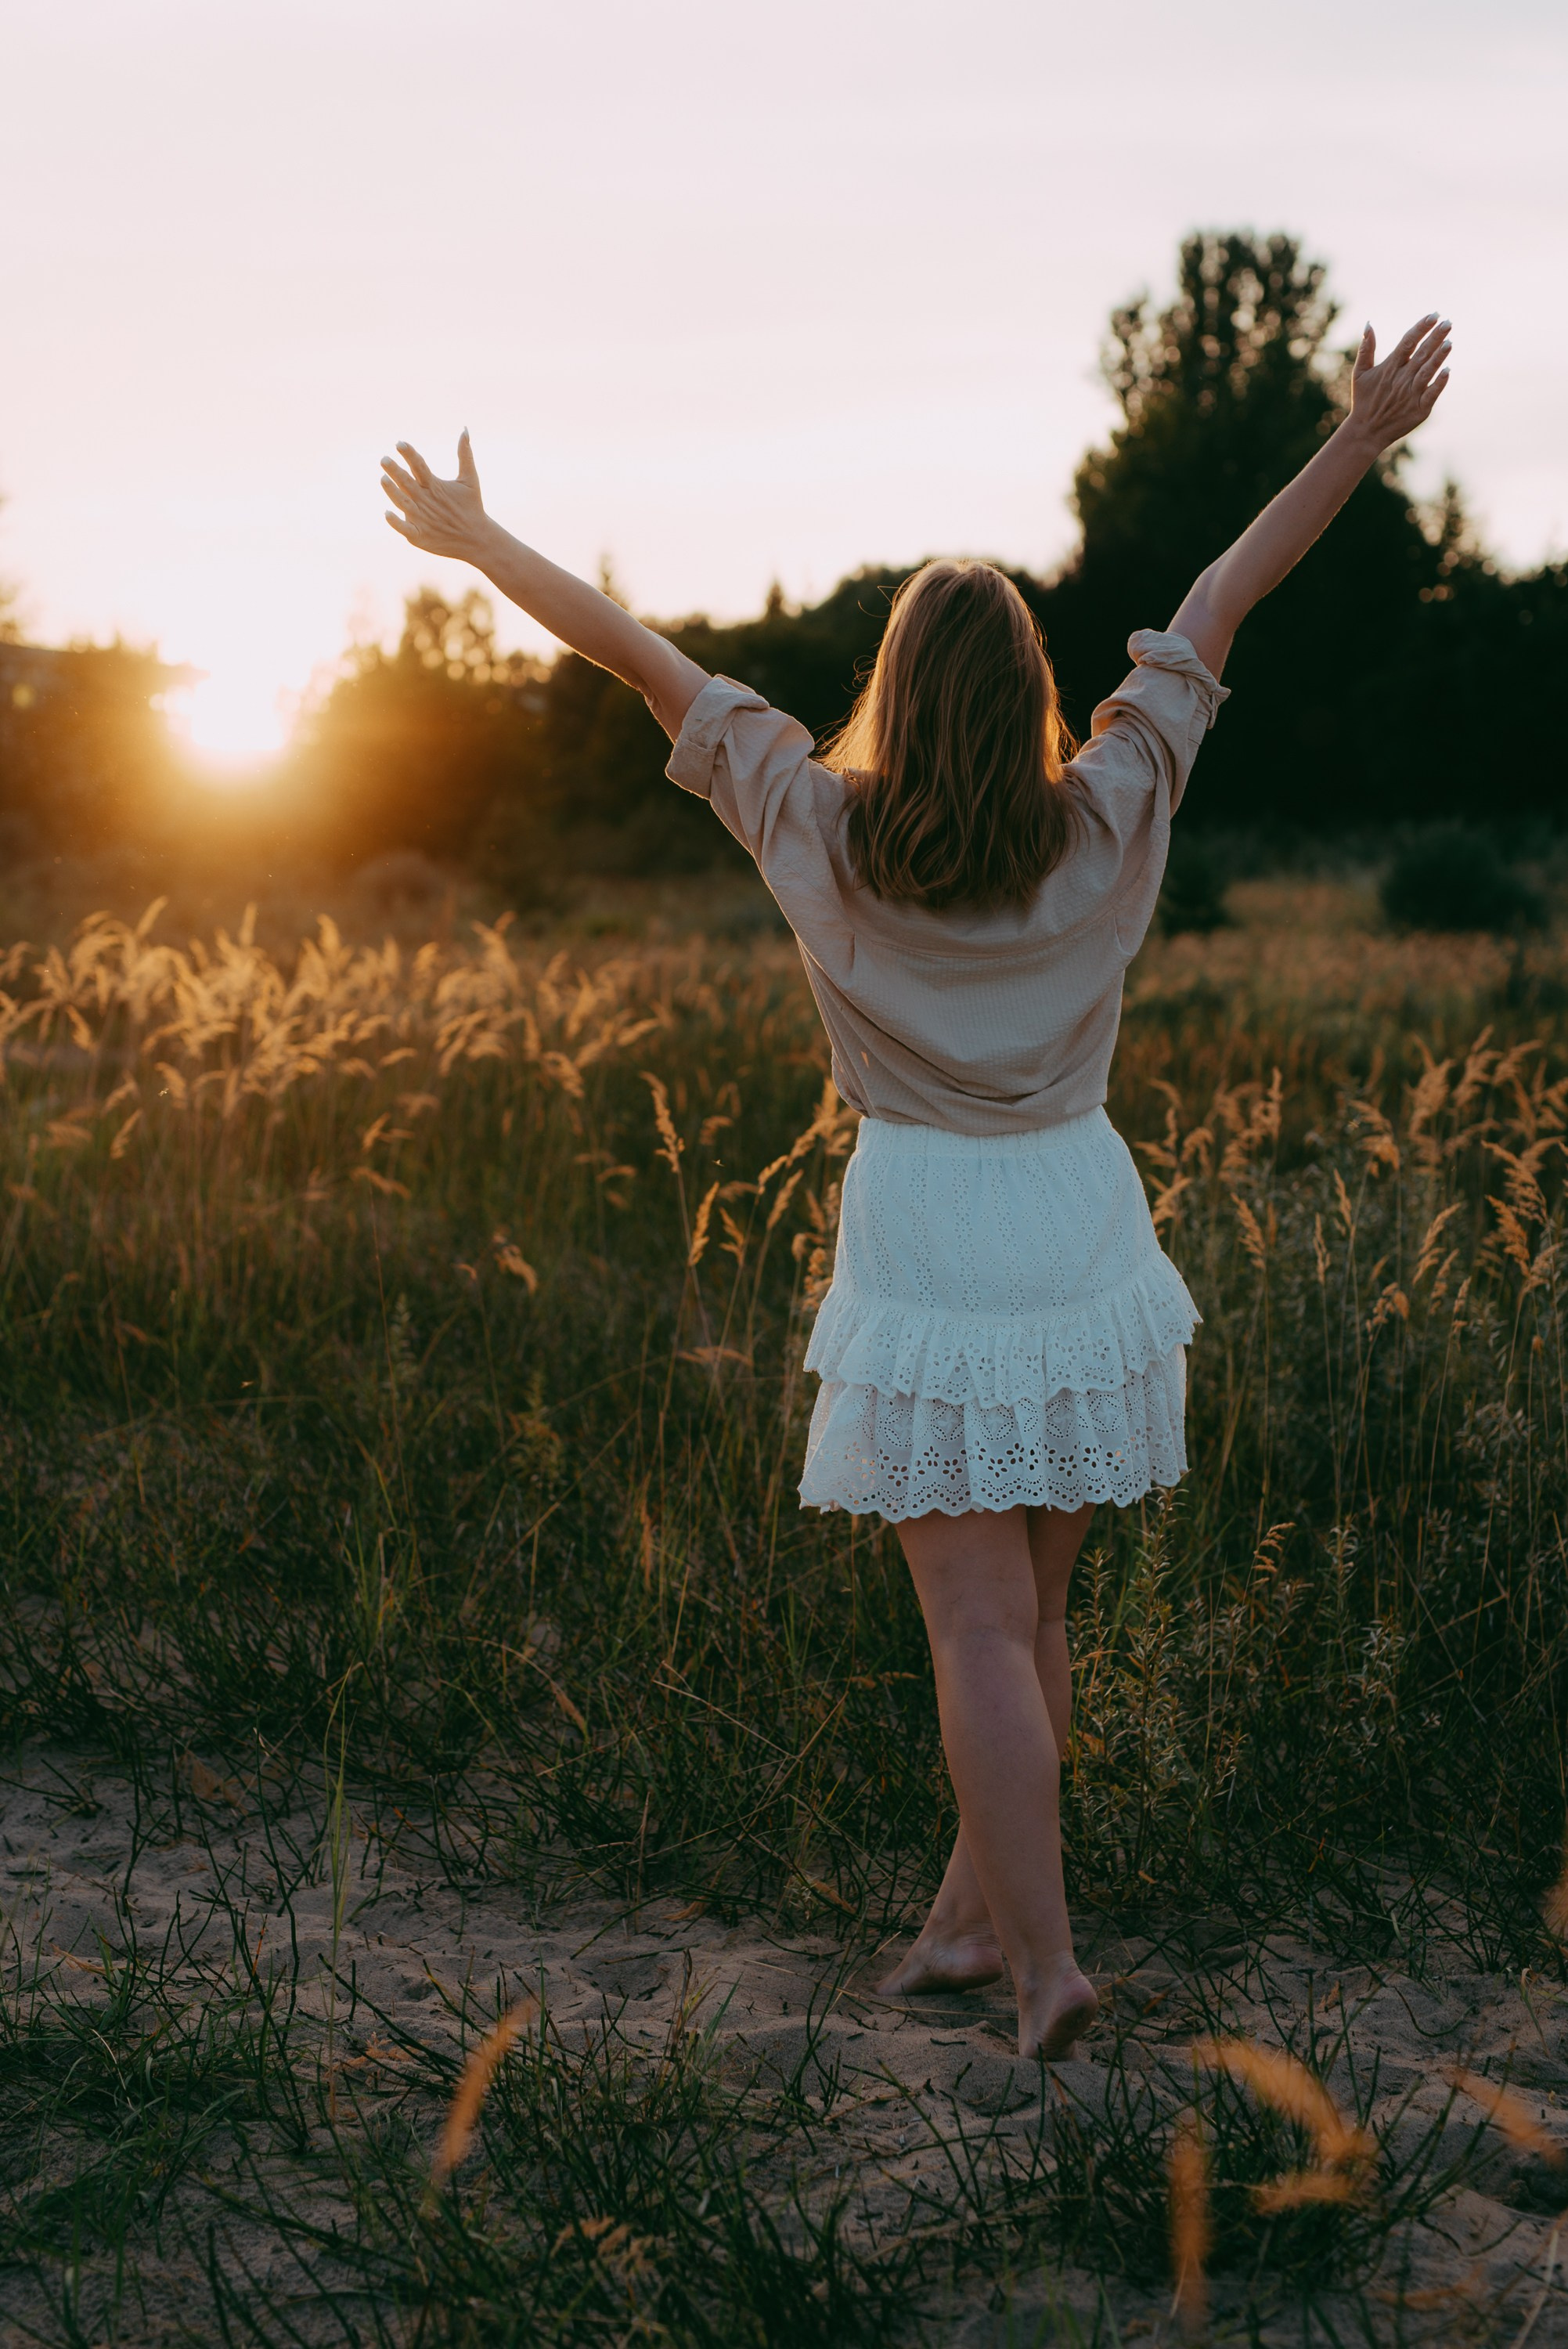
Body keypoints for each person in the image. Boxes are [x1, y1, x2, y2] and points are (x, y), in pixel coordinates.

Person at [379, 312, 1451, 2059]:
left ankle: (1045, 1969)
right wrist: (1357, 439)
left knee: (973, 1625)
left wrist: (482, 544)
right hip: (1080, 1212)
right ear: (1032, 695)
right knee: (1034, 1613)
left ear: (891, 687)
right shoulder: (1114, 807)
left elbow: (635, 654)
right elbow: (1222, 597)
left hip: (932, 1219)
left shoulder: (816, 823)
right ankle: (972, 1927)